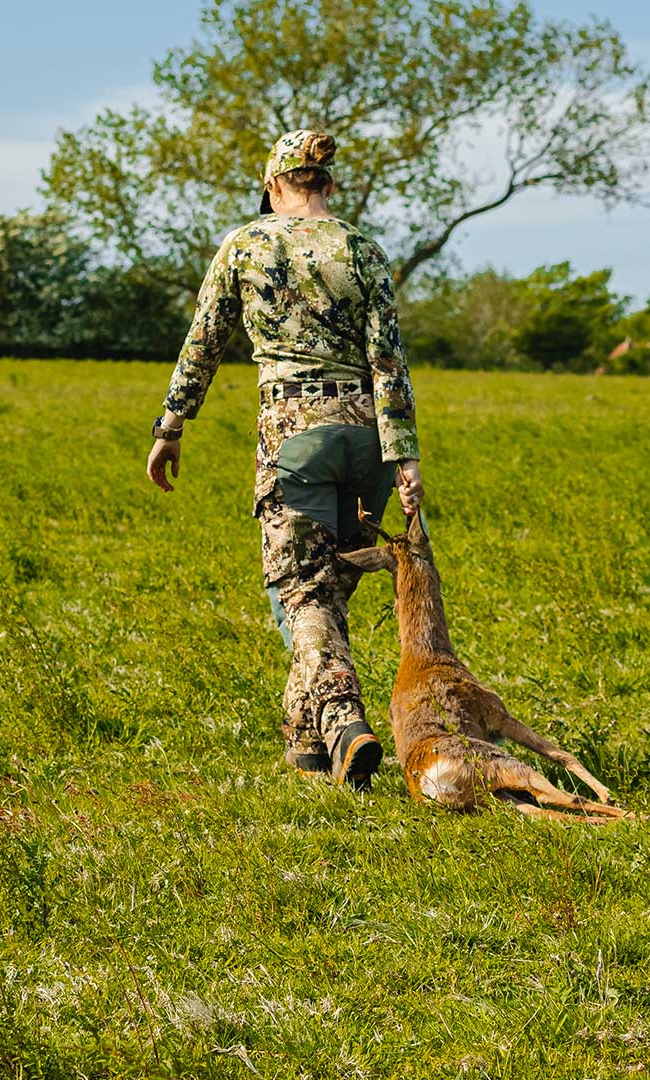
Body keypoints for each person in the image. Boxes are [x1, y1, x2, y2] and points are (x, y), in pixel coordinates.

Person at [145, 129, 424, 791]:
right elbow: (389, 362)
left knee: (301, 594)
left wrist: (171, 424)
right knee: (329, 590)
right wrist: (405, 456)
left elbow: (204, 340)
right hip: (365, 438)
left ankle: (343, 720)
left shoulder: (246, 244)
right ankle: (306, 747)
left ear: (274, 186)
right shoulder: (363, 250)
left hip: (294, 434)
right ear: (327, 184)